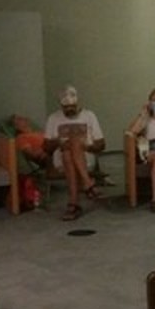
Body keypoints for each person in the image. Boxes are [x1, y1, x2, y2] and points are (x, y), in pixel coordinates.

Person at [44, 85, 106, 221]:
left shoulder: (89, 116)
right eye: (66, 108)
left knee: (73, 145)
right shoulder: (53, 118)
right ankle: (88, 184)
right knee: (67, 149)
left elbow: (101, 144)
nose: (69, 110)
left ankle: (73, 204)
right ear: (61, 106)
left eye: (72, 107)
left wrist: (85, 146)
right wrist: (58, 142)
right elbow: (46, 147)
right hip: (60, 159)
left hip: (86, 156)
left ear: (77, 103)